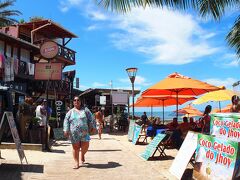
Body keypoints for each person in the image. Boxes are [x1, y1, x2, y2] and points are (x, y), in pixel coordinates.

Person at [63, 96, 96, 169]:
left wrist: (93, 127)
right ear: (73, 102)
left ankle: (83, 154)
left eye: (78, 100)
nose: (76, 101)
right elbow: (66, 120)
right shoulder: (70, 112)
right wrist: (66, 130)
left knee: (86, 146)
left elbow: (91, 118)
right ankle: (76, 162)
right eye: (75, 100)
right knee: (75, 148)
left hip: (85, 132)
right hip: (74, 133)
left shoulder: (85, 110)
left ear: (80, 102)